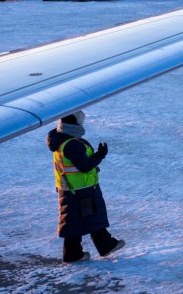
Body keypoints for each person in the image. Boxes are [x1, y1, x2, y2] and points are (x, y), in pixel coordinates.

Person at [46, 111, 125, 263]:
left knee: (84, 219)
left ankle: (101, 246)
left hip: (72, 188)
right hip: (80, 189)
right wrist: (100, 155)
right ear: (74, 124)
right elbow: (85, 166)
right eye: (80, 121)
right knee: (82, 219)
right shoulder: (71, 144)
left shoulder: (61, 138)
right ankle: (78, 253)